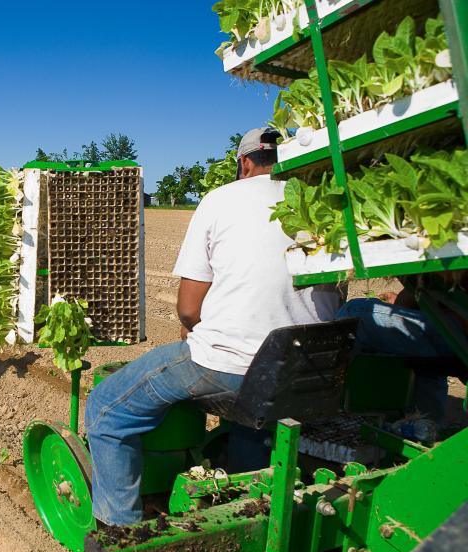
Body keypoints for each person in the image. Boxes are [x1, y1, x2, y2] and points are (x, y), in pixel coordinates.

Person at [84, 128, 342, 526]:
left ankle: (119, 529)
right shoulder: (322, 202)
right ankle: (245, 506)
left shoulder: (221, 199)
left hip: (232, 363)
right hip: (310, 368)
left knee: (105, 410)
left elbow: (188, 310)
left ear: (245, 163)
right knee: (254, 416)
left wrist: (196, 331)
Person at [336, 275, 467, 424]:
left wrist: (398, 306)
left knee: (353, 311)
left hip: (459, 334)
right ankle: (428, 427)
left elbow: (420, 291)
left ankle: (331, 407)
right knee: (424, 356)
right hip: (453, 332)